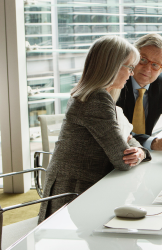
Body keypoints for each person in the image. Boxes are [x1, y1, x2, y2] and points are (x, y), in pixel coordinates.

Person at [38, 36, 149, 223]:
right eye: (129, 67)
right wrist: (135, 151)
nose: (131, 74)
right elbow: (123, 159)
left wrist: (139, 151)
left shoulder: (97, 93)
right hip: (74, 195)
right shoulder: (96, 98)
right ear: (111, 66)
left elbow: (129, 139)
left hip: (80, 187)